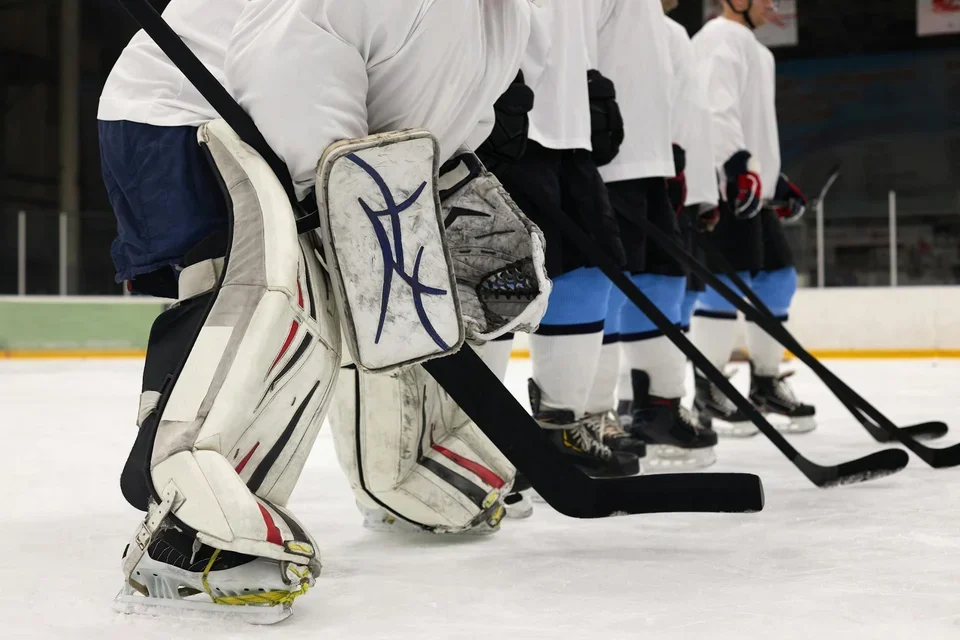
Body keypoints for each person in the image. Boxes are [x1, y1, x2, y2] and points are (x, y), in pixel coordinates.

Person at [99, 0, 547, 621]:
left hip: (299, 136)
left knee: (381, 303)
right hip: (190, 109)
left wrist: (442, 192)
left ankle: (400, 474)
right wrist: (338, 197)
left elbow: (432, 116)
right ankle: (186, 528)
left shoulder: (505, 18)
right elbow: (288, 56)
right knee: (274, 291)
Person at [483, 0, 642, 482]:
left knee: (590, 275)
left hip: (569, 132)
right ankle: (481, 445)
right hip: (504, 128)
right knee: (498, 286)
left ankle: (560, 427)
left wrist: (589, 83)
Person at [580, 0, 717, 470]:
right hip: (608, 165)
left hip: (654, 169)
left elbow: (681, 108)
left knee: (663, 285)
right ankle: (590, 414)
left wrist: (688, 174)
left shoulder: (668, 31)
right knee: (607, 293)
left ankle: (656, 410)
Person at [690, 0, 815, 437]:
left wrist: (774, 181)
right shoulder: (716, 40)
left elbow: (752, 124)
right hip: (726, 185)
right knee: (725, 285)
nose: (774, 5)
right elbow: (713, 110)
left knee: (778, 279)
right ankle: (709, 390)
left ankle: (765, 381)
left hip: (750, 185)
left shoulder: (757, 50)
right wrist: (737, 167)